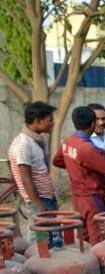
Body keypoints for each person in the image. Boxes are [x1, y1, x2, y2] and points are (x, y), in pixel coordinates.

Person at [53, 106, 105, 245]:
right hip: (92, 197)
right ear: (92, 123)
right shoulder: (87, 148)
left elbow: (57, 160)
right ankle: (98, 266)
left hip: (77, 197)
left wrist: (76, 167)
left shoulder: (69, 141)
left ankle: (87, 264)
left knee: (84, 236)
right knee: (98, 238)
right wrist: (104, 154)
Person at [8, 102, 59, 245]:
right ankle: (34, 266)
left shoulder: (34, 141)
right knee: (39, 241)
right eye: (49, 120)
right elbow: (25, 176)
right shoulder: (24, 144)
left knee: (51, 239)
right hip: (40, 200)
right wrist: (38, 205)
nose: (52, 123)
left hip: (46, 198)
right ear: (37, 121)